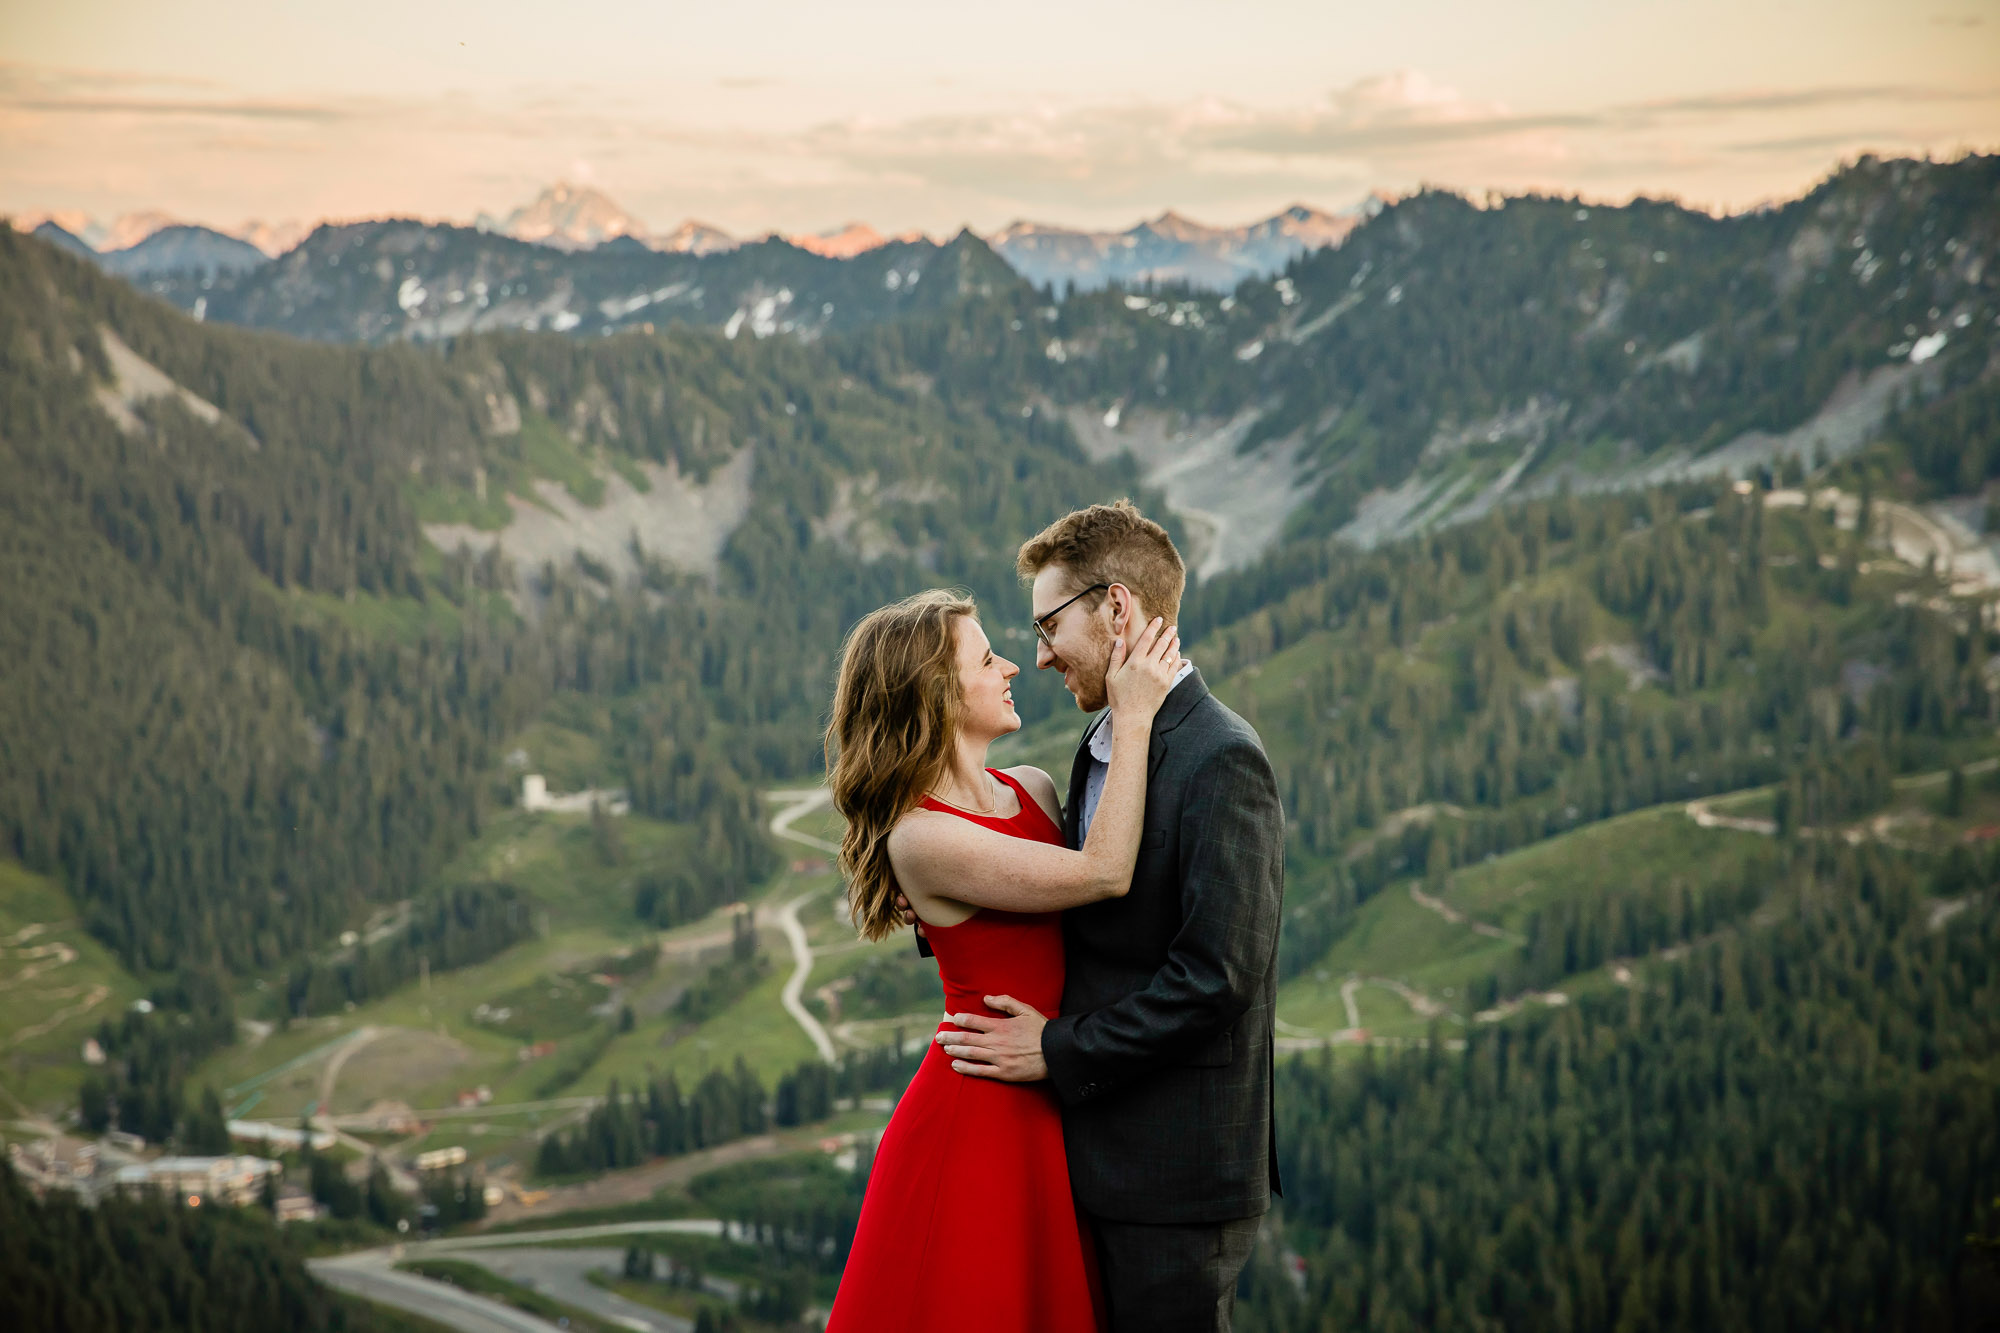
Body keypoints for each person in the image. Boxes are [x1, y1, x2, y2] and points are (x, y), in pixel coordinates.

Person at [933, 500, 1286, 1333]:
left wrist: (1056, 1049)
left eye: (1050, 623)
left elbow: (1216, 978)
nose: (1041, 653)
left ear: (1117, 607)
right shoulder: (1102, 743)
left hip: (1174, 1178)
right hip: (1094, 1158)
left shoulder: (1220, 755)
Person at [823, 587, 1184, 1333]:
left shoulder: (1034, 787)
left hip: (1045, 1095)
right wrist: (1136, 713)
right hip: (975, 1119)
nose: (1014, 665)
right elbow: (1103, 872)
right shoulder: (921, 837)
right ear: (938, 695)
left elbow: (1059, 920)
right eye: (988, 659)